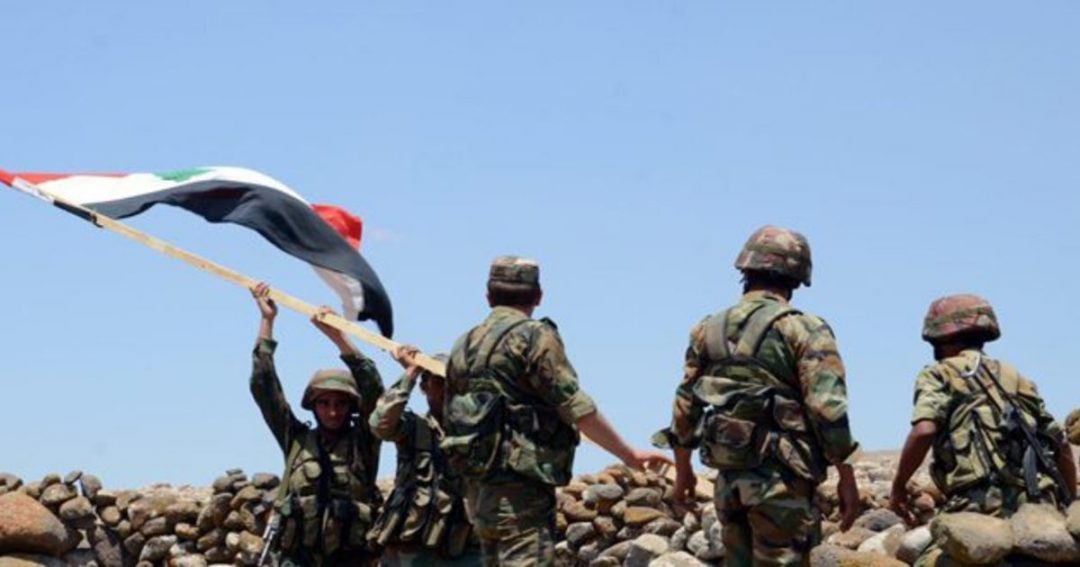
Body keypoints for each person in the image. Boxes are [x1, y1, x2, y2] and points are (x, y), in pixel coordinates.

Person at [441, 255, 671, 567]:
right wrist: (628, 454)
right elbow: (574, 405)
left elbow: (450, 415)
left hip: (477, 490)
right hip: (521, 491)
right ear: (538, 296)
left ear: (488, 296)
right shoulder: (534, 336)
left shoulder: (463, 344)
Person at [655, 225, 861, 567]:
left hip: (730, 481)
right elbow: (827, 409)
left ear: (746, 270)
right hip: (782, 482)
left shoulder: (707, 329)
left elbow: (685, 406)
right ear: (797, 277)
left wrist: (683, 471)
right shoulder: (804, 328)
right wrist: (847, 478)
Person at [889, 294, 1076, 565]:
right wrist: (1069, 503)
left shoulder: (939, 373)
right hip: (1039, 512)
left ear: (940, 339)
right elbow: (1060, 443)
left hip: (980, 509)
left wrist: (898, 487)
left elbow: (924, 431)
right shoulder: (1018, 378)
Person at [249, 282, 385, 566]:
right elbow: (263, 385)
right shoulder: (296, 440)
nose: (333, 411)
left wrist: (339, 338)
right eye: (325, 403)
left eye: (340, 403)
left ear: (351, 407)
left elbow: (373, 390)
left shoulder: (364, 441)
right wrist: (267, 321)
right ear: (313, 405)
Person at [368, 346, 481, 566]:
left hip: (463, 548)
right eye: (438, 382)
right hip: (413, 549)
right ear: (424, 387)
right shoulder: (414, 427)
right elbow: (380, 424)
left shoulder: (477, 432)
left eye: (452, 384)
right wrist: (410, 373)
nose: (446, 391)